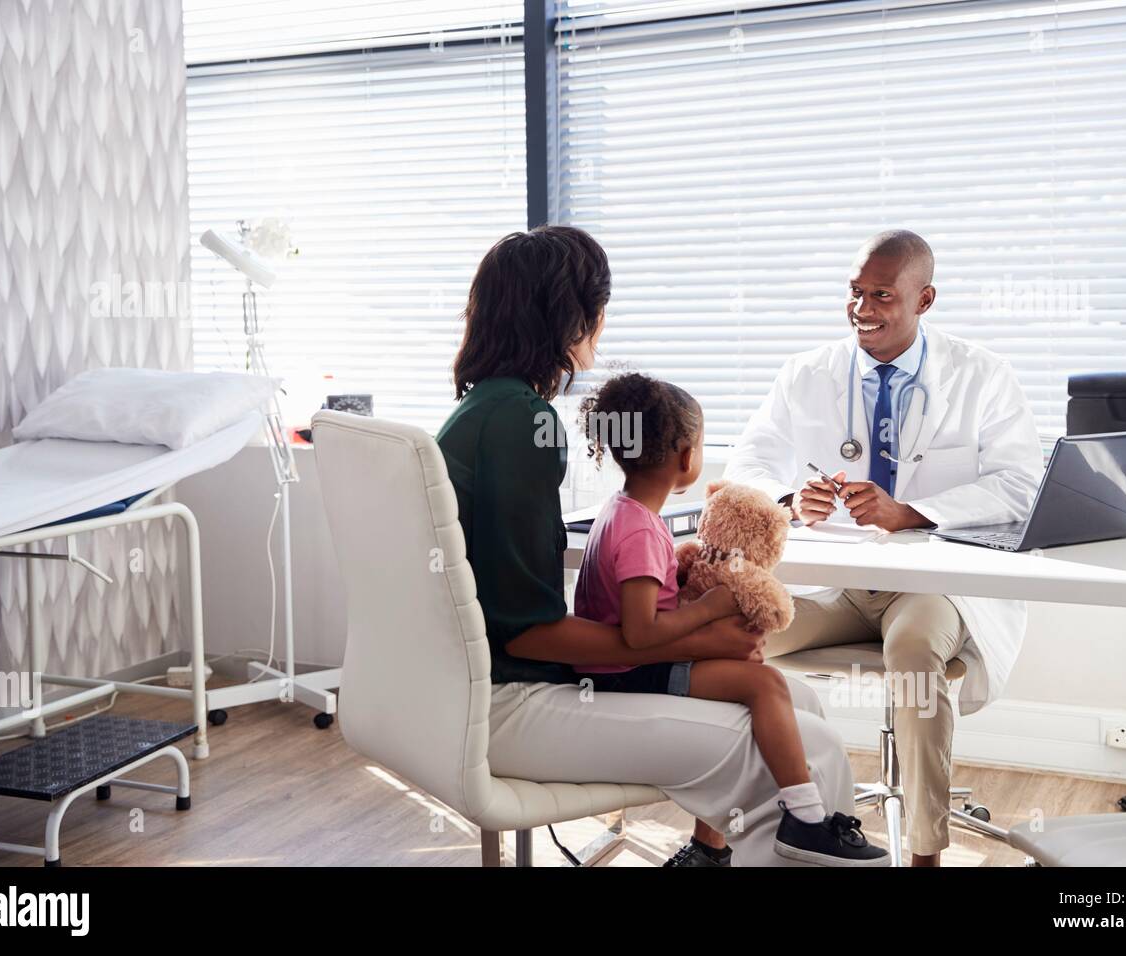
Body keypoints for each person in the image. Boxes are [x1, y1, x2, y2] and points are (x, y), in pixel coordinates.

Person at [436, 225, 857, 867]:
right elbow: (527, 635)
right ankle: (788, 840)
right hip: (511, 702)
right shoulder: (521, 424)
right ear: (581, 319)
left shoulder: (480, 414)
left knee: (796, 700)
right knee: (812, 745)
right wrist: (702, 635)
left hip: (475, 691)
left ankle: (711, 854)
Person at [724, 229, 1043, 866]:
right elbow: (746, 462)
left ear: (923, 299)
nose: (863, 309)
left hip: (929, 584)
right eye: (855, 292)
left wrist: (914, 511)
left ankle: (924, 852)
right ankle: (745, 829)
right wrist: (790, 499)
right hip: (837, 584)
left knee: (914, 651)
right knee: (734, 636)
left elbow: (1020, 485)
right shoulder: (807, 373)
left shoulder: (982, 375)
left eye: (882, 296)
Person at [571, 371, 888, 866]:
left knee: (768, 683)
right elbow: (638, 633)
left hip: (629, 667)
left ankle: (725, 843)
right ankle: (805, 819)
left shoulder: (624, 512)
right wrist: (711, 609)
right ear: (686, 457)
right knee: (766, 687)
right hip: (629, 676)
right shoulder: (639, 531)